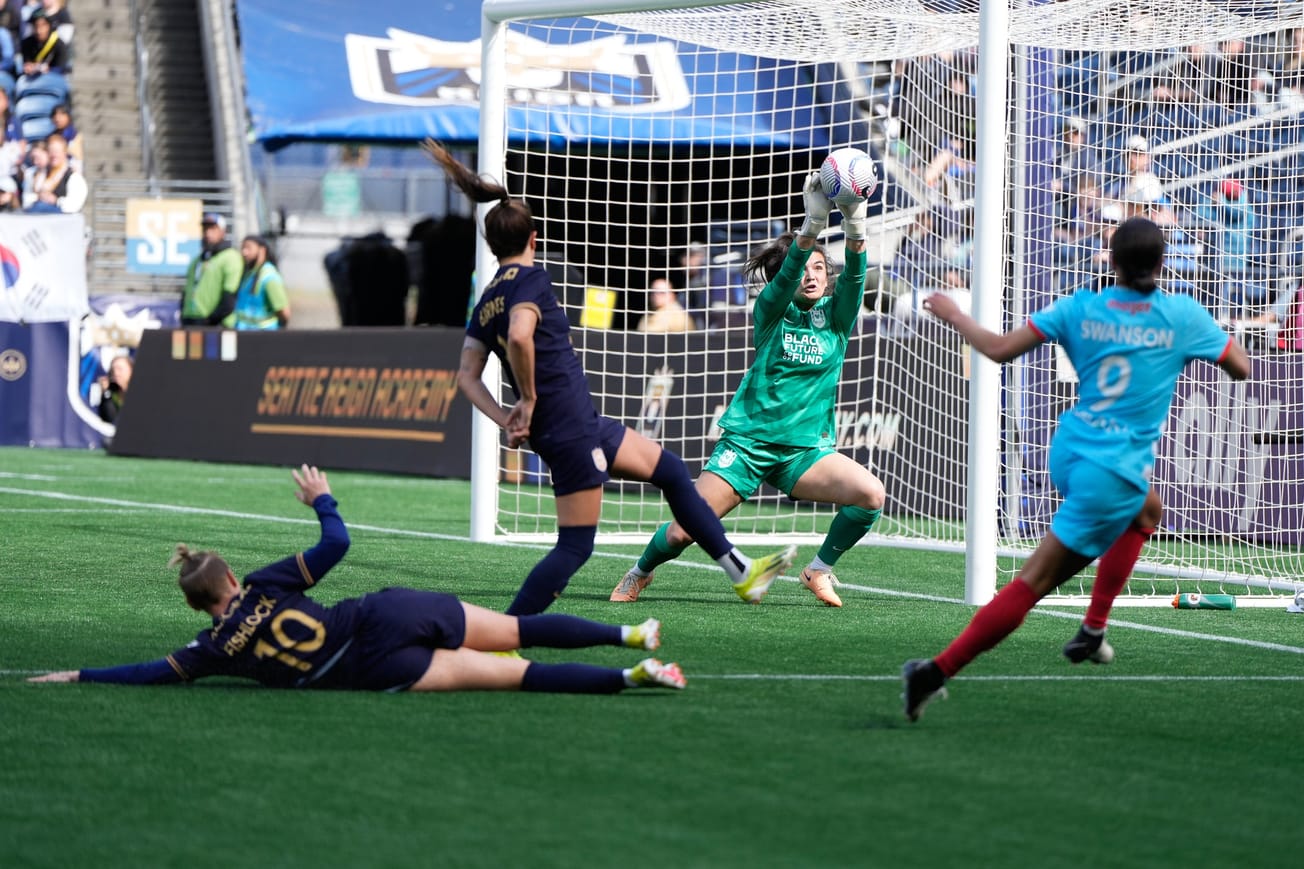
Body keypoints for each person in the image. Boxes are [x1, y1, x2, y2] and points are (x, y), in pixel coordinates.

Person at [422, 139, 796, 614]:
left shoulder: (488, 296)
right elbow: (519, 336)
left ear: (493, 246)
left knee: (671, 471)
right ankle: (505, 631)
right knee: (575, 547)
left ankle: (739, 570)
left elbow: (467, 376)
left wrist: (506, 419)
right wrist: (530, 402)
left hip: (575, 423)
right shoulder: (533, 279)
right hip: (565, 426)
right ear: (533, 238)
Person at [901, 217, 1251, 722]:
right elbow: (1241, 366)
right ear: (1162, 262)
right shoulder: (1182, 315)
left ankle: (1092, 630)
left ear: (1110, 260)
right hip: (1110, 471)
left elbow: (999, 350)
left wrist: (955, 313)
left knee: (1147, 510)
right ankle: (933, 672)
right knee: (1032, 584)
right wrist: (1197, 338)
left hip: (1069, 449)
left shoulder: (1079, 307)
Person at [28, 465, 687, 694]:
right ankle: (632, 633)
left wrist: (80, 674)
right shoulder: (262, 584)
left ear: (200, 603)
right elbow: (338, 542)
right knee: (515, 630)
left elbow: (150, 671)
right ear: (227, 573)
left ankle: (633, 679)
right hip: (383, 613)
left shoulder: (211, 650)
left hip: (374, 665)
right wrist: (322, 499)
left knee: (519, 676)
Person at [611, 171, 886, 608]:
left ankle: (818, 569)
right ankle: (638, 572)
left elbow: (854, 275)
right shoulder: (772, 310)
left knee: (870, 495)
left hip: (804, 452)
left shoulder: (837, 318)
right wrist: (810, 228)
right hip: (748, 444)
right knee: (685, 529)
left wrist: (855, 224)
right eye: (805, 269)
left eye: (821, 268)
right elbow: (787, 275)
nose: (812, 276)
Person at [180, 212, 243, 327]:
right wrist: (184, 316)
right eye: (205, 229)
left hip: (216, 325)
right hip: (191, 321)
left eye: (213, 228)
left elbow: (230, 296)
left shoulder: (231, 257)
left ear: (223, 232)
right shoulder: (197, 260)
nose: (208, 233)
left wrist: (212, 319)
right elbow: (187, 291)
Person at [232, 234, 290, 330]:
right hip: (244, 333)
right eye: (242, 248)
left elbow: (284, 312)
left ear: (262, 250)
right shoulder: (248, 273)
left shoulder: (269, 276)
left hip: (263, 336)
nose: (244, 252)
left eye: (248, 248)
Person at [23, 131, 82, 213]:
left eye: (57, 151)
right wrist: (39, 197)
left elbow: (73, 206)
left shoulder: (73, 177)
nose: (54, 155)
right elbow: (26, 201)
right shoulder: (36, 173)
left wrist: (55, 201)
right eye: (51, 151)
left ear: (64, 152)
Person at [96, 354, 132, 423]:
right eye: (113, 370)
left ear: (131, 370)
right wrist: (106, 392)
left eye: (120, 369)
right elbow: (110, 418)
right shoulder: (111, 392)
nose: (115, 373)